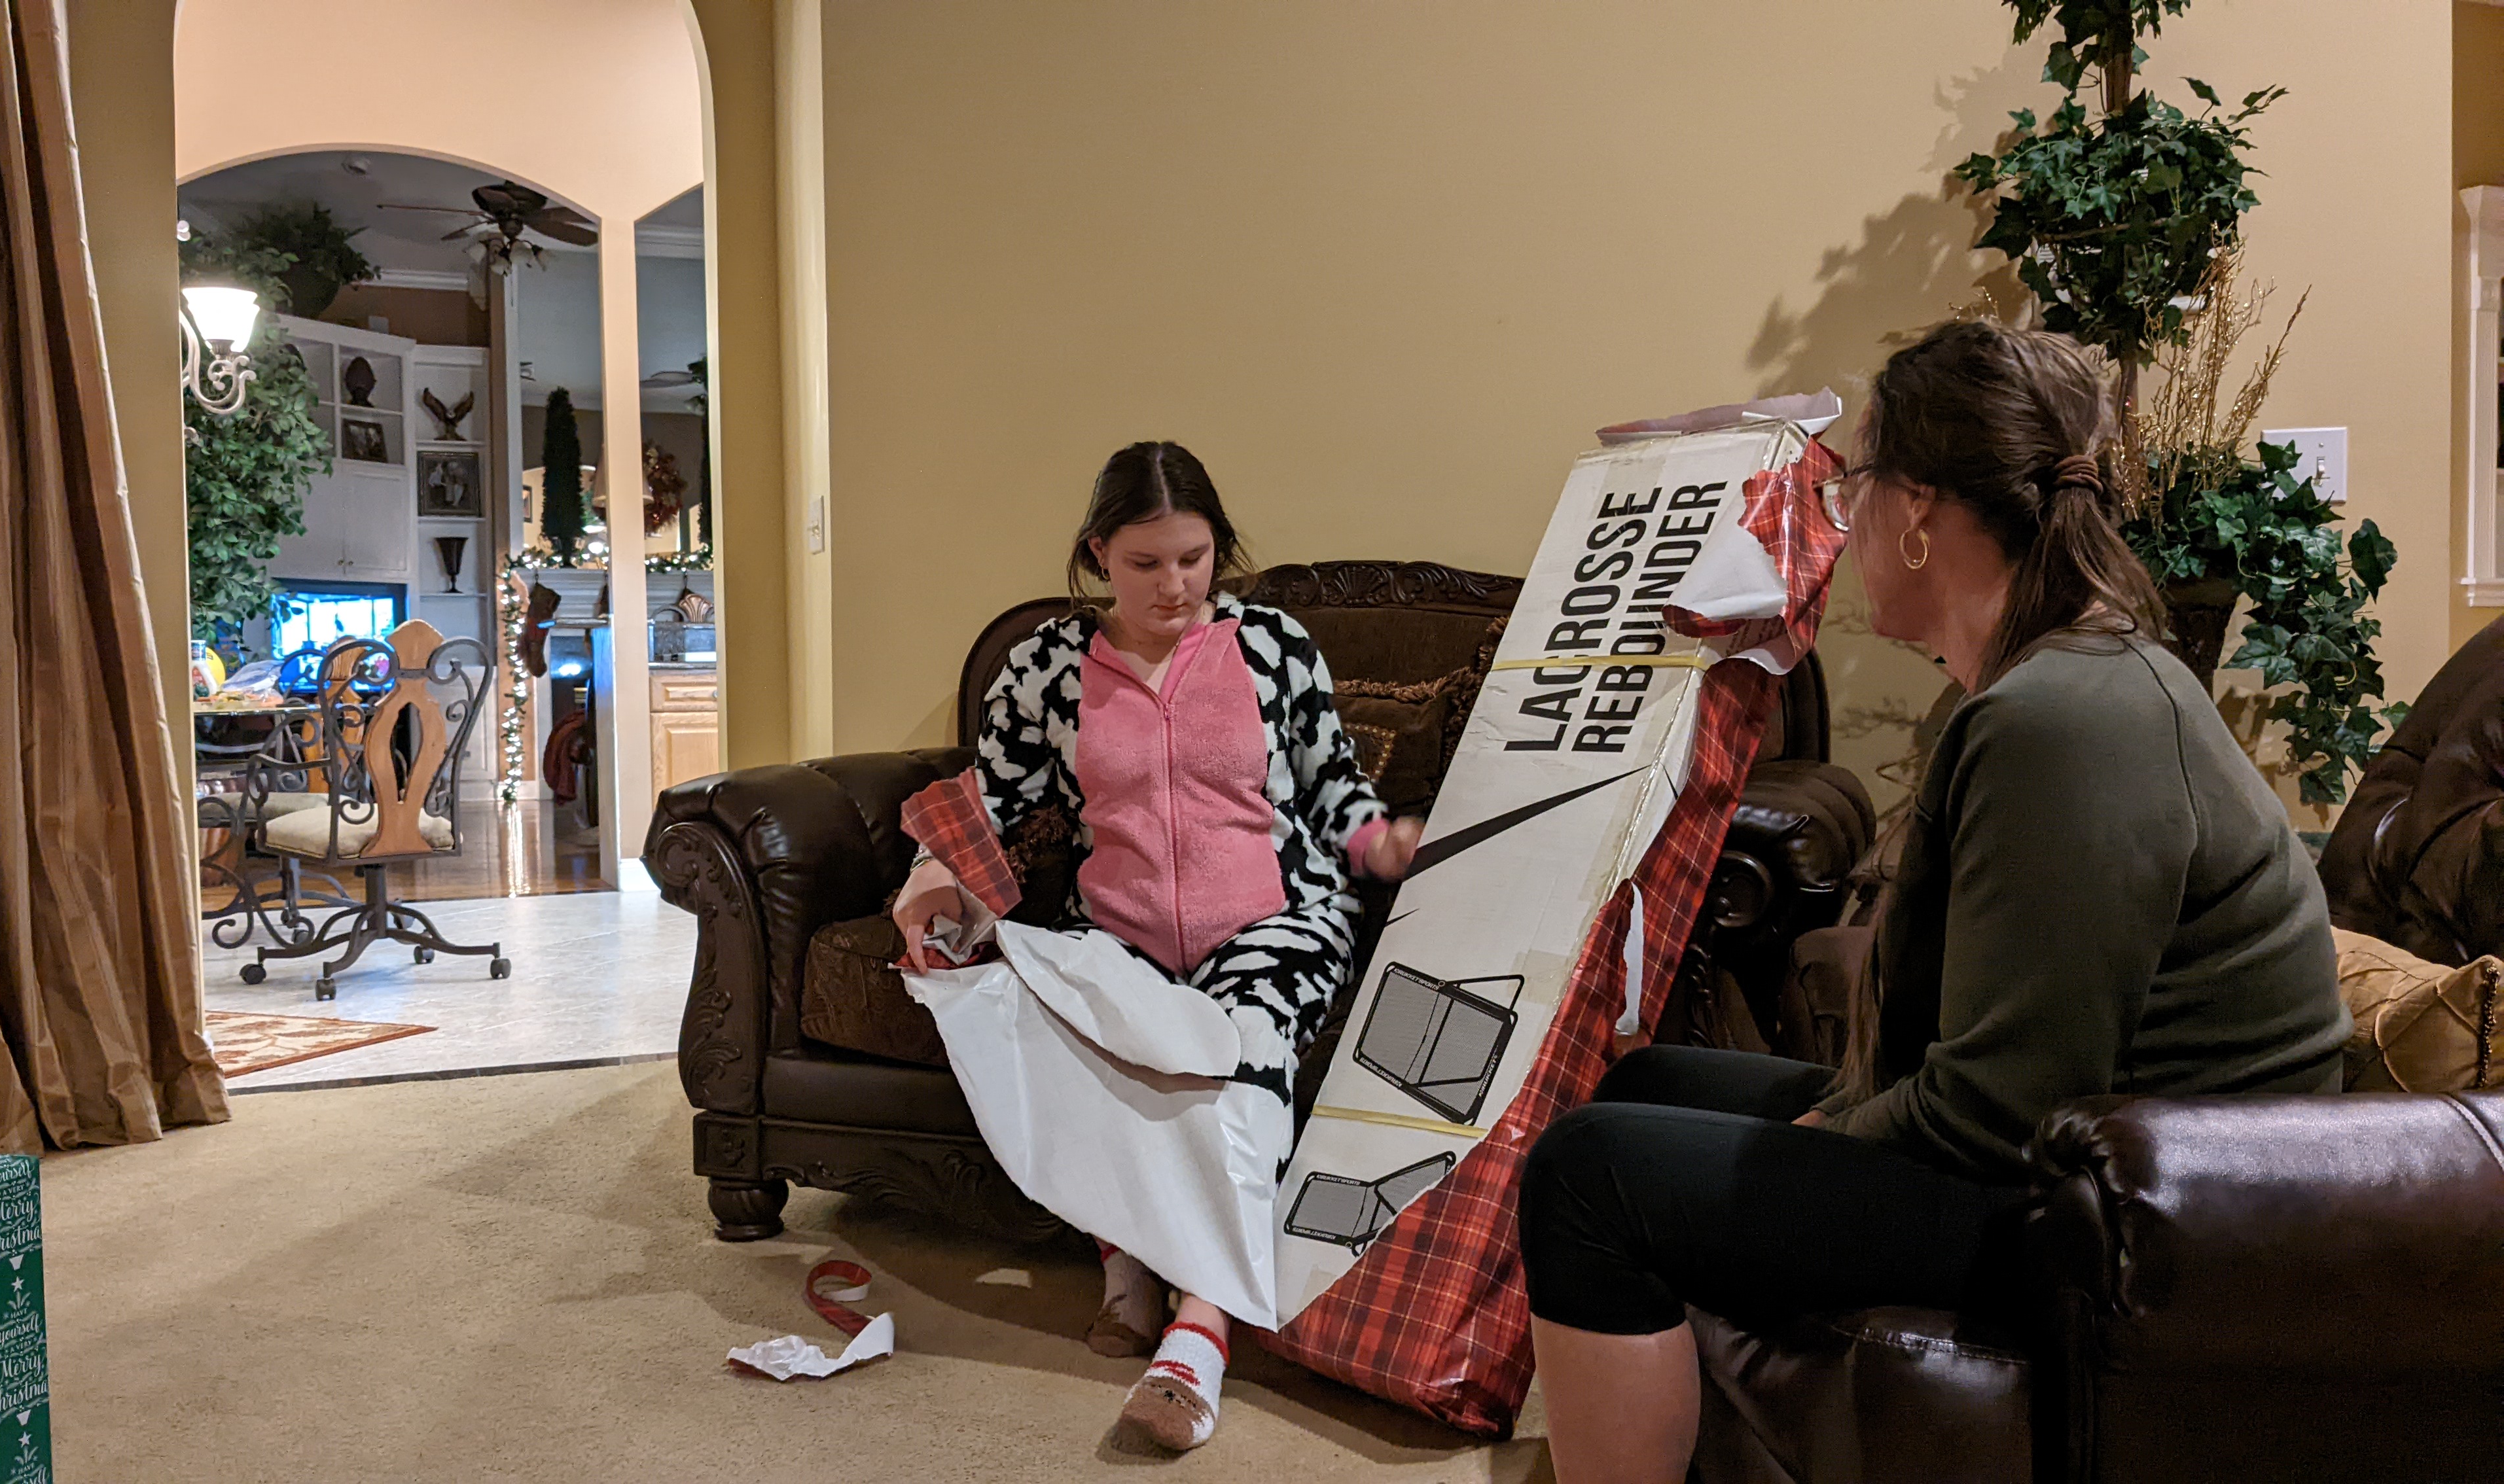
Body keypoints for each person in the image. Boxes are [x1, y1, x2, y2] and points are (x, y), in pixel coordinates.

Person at [1514, 321, 2351, 1484]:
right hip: (2085, 1165)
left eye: (1854, 489)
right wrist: (1836, 1123)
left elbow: (2012, 1103)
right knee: (1649, 1086)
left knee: (1589, 1172)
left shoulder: (2065, 721)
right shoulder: (2049, 685)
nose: (1845, 524)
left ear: (1916, 510)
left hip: (2131, 1221)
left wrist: (1830, 1135)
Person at [890, 440, 1422, 1453]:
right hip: (1118, 924)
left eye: (1193, 558)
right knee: (1085, 1037)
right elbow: (987, 800)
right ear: (1098, 554)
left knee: (1241, 1056)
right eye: (1146, 563)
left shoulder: (1272, 646)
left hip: (1276, 918)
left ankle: (1199, 1334)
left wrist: (1381, 845)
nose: (1174, 585)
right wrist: (929, 877)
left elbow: (1335, 789)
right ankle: (1123, 1263)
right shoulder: (1047, 667)